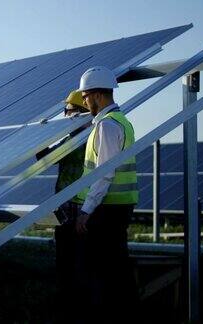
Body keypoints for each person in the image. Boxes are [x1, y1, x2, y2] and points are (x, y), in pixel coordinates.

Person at [74, 66, 139, 323]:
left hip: (107, 210)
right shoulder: (119, 121)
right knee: (113, 270)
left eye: (86, 96)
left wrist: (85, 211)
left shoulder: (108, 126)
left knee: (104, 273)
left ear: (98, 94)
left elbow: (104, 173)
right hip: (114, 207)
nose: (84, 101)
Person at [35, 90, 90, 324]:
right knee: (67, 258)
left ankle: (75, 306)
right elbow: (47, 158)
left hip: (79, 207)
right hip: (68, 204)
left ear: (78, 112)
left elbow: (50, 157)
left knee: (74, 259)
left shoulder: (85, 137)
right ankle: (69, 302)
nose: (65, 114)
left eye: (68, 110)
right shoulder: (74, 136)